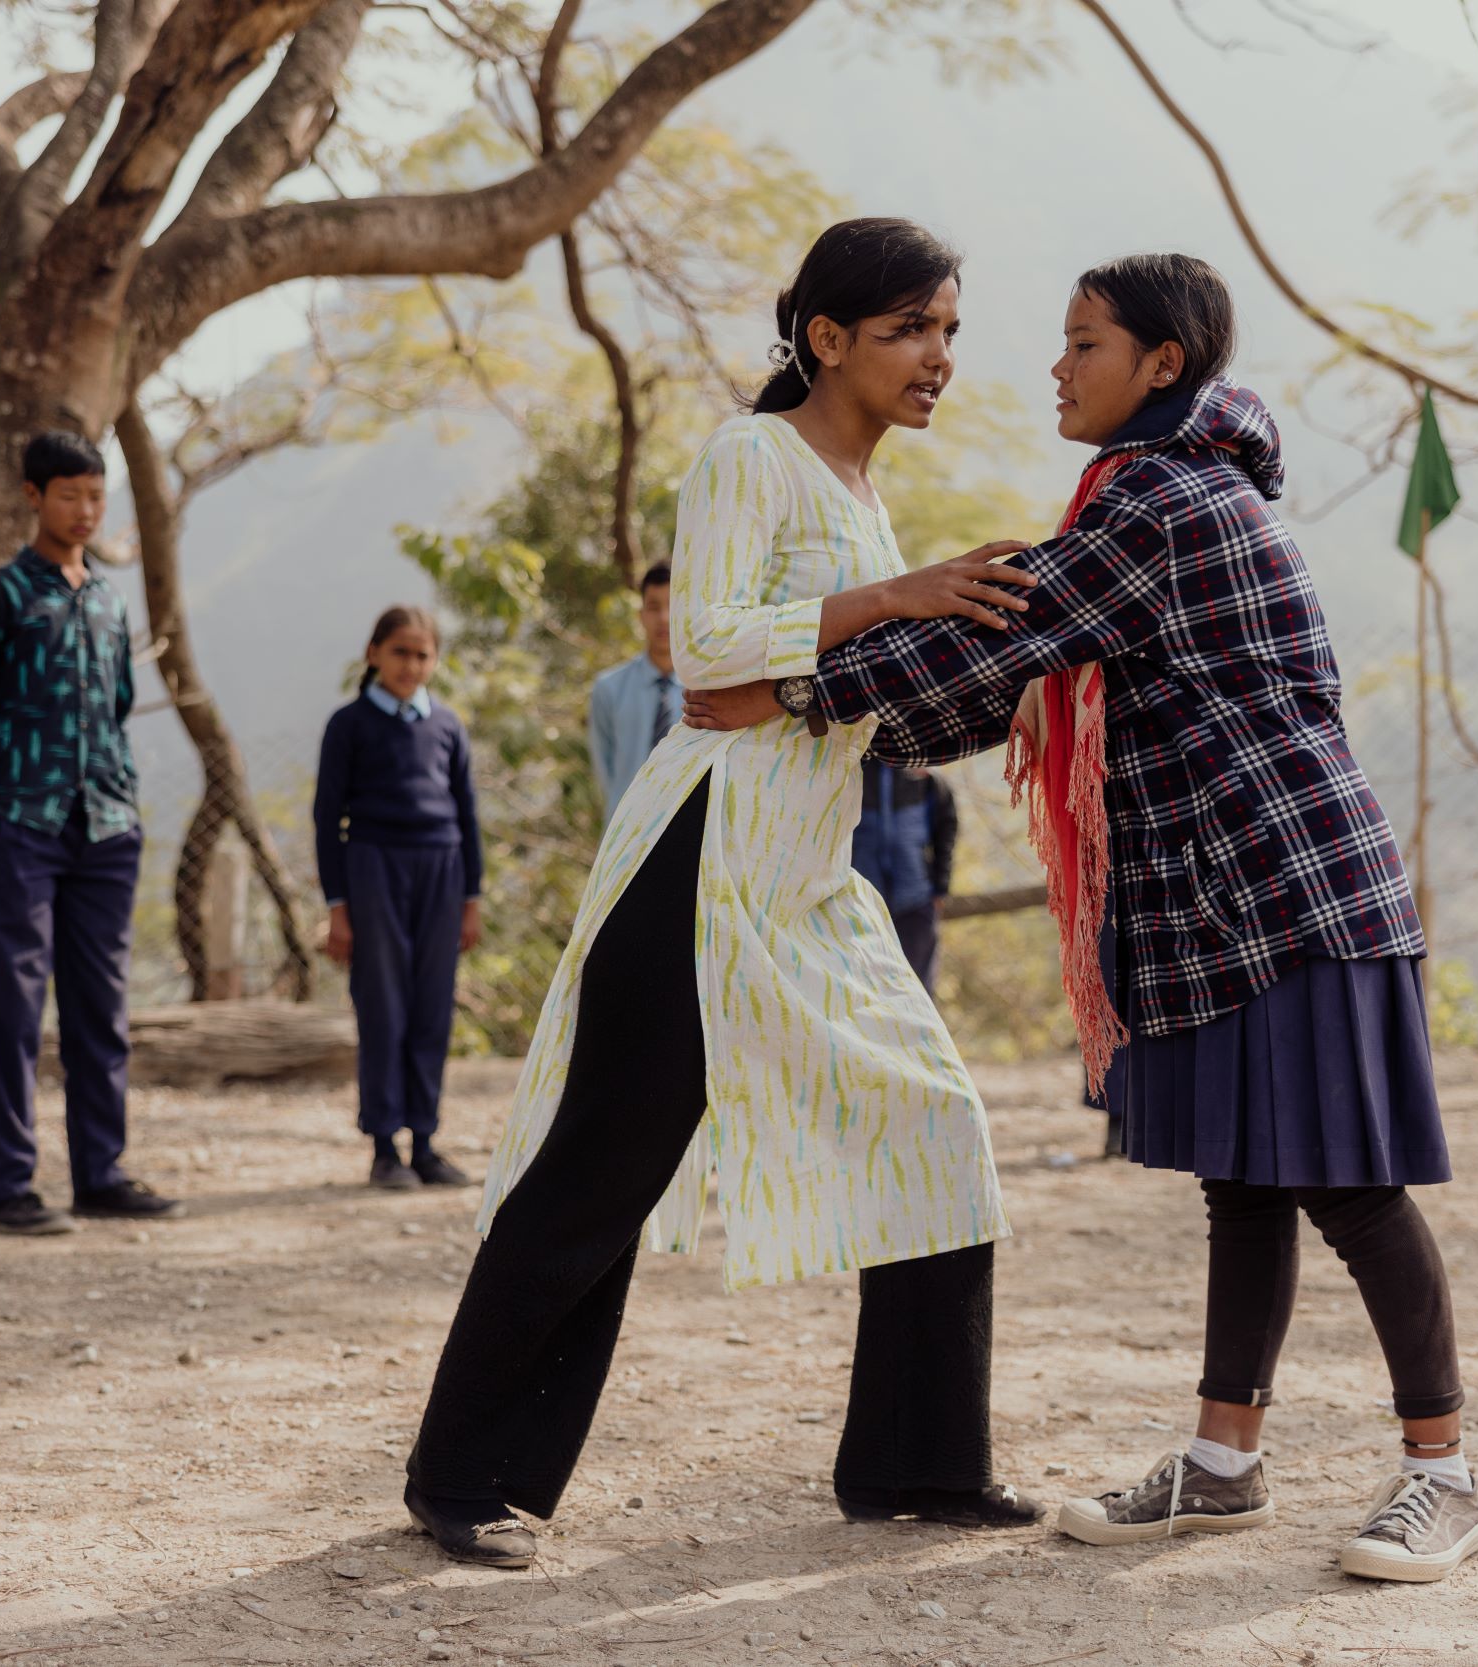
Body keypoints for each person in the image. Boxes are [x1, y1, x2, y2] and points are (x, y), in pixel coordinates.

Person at [686, 254, 1478, 1583]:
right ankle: (1225, 1462)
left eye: (1085, 344)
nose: (1055, 366)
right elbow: (1006, 679)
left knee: (1350, 1184)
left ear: (1161, 364)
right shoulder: (1154, 495)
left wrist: (794, 689)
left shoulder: (1160, 504)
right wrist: (835, 703)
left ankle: (1443, 1472)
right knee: (1248, 1182)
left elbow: (1004, 635)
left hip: (1289, 886)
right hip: (1234, 892)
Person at [402, 218, 1047, 1569]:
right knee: (601, 1169)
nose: (937, 358)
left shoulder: (864, 498)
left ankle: (916, 1462)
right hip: (699, 862)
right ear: (826, 338)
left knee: (934, 1122)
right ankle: (464, 1473)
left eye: (948, 332)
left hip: (810, 876)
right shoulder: (752, 454)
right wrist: (895, 598)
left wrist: (1007, 678)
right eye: (908, 329)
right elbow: (706, 666)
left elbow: (821, 693)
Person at [0, 431, 182, 1236]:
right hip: (25, 826)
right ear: (33, 496)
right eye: (69, 494)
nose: (84, 511)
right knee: (13, 1008)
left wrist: (121, 798)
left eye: (95, 495)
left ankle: (100, 1174)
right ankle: (8, 1186)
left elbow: (114, 708)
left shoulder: (110, 599)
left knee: (101, 1007)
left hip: (107, 827)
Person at [316, 605, 483, 1190]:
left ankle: (426, 1143)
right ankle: (385, 1146)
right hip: (374, 870)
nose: (411, 665)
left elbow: (467, 814)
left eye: (422, 654)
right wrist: (339, 906)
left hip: (442, 870)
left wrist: (471, 898)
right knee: (383, 1005)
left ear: (434, 659)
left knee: (432, 1007)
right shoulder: (350, 724)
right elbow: (325, 819)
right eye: (400, 652)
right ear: (374, 654)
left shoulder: (447, 726)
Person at [849, 760, 956, 990]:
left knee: (917, 987)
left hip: (916, 900)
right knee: (867, 988)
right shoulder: (852, 771)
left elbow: (946, 829)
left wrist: (940, 888)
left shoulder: (926, 778)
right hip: (863, 902)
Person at [587, 563, 680, 821]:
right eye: (653, 607)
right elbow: (605, 771)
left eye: (672, 605)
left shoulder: (708, 690)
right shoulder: (608, 688)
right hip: (625, 832)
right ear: (641, 615)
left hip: (690, 835)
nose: (663, 617)